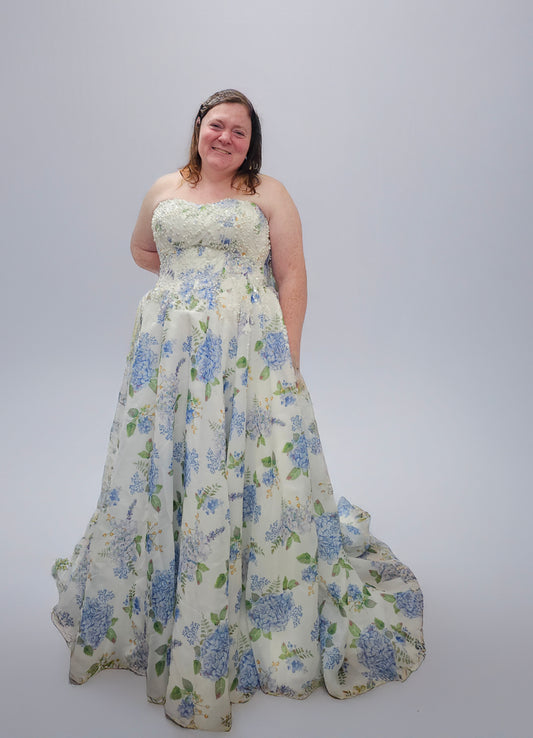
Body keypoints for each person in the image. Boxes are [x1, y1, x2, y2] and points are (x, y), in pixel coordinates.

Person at [52, 89, 425, 732]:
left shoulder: (268, 194)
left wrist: (288, 360)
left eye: (240, 132)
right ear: (199, 127)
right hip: (169, 356)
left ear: (251, 144)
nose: (225, 138)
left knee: (247, 465)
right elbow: (144, 251)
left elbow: (292, 276)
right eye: (217, 125)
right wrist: (184, 289)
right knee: (169, 464)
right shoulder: (163, 188)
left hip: (247, 353)